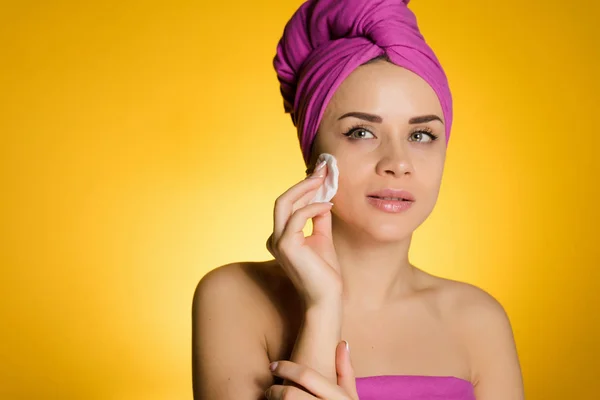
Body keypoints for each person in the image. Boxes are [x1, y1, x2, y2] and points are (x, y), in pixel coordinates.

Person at [192, 0, 524, 399]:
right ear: (313, 151)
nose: (397, 163)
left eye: (421, 135)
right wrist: (322, 307)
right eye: (361, 132)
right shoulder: (234, 297)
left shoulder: (479, 320)